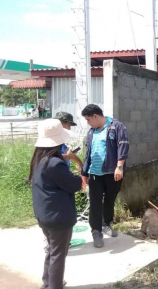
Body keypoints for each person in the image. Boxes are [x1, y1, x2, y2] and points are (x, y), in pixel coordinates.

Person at [29, 119, 83, 289]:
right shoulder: (56, 164)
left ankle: (47, 283)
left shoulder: (39, 158)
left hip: (44, 214)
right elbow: (75, 185)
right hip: (58, 217)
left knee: (52, 251)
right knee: (58, 256)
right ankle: (54, 285)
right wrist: (77, 164)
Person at [81, 104, 129, 248]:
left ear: (95, 116)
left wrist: (119, 167)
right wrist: (84, 173)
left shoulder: (116, 127)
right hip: (95, 174)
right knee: (95, 202)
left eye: (88, 119)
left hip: (112, 173)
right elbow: (87, 154)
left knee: (110, 199)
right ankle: (96, 231)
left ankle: (106, 224)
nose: (88, 122)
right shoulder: (91, 132)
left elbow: (123, 145)